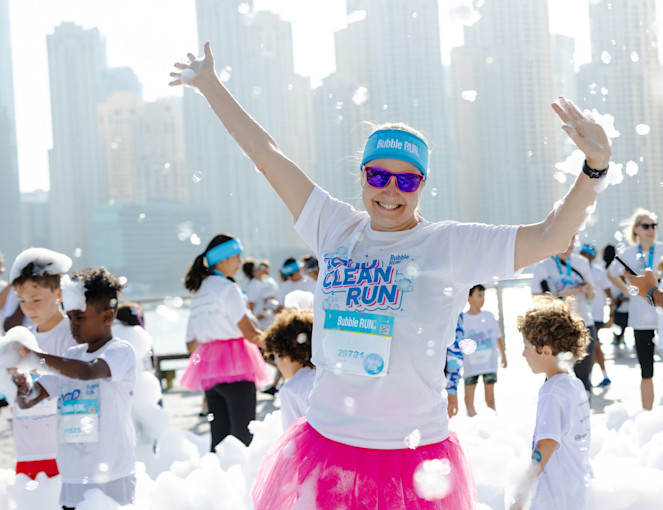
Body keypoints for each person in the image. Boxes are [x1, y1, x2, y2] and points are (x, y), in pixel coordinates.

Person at [170, 42, 611, 509]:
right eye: (378, 176)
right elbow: (266, 154)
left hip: (411, 454)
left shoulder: (449, 246)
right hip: (327, 446)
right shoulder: (333, 225)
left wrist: (594, 168)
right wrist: (209, 85)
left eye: (407, 180)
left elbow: (548, 236)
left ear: (422, 184)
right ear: (361, 175)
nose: (390, 192)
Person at [12, 267, 136, 509]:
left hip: (112, 472)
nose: (73, 325)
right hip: (72, 475)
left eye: (80, 317)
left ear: (107, 317)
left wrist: (34, 357)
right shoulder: (71, 355)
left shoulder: (120, 352)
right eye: (70, 317)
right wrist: (20, 381)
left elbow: (87, 371)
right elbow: (29, 400)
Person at [181, 234, 269, 449]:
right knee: (243, 437)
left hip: (209, 368)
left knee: (219, 438)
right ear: (223, 259)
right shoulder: (228, 288)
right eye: (237, 257)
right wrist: (281, 345)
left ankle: (216, 479)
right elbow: (251, 334)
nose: (240, 263)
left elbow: (190, 344)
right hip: (238, 364)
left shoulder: (199, 291)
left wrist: (213, 337)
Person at [511, 297, 592, 510]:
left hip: (557, 498)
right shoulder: (574, 384)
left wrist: (520, 494)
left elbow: (546, 443)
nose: (523, 354)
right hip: (578, 491)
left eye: (527, 347)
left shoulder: (552, 392)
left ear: (546, 351)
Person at [8, 247, 75, 480]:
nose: (29, 308)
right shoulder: (21, 338)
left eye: (36, 299)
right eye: (22, 301)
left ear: (59, 293)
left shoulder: (71, 335)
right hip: (27, 448)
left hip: (63, 446)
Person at [607, 208, 663, 410]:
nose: (651, 230)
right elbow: (611, 273)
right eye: (646, 226)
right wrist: (628, 290)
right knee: (646, 370)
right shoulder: (627, 254)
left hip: (662, 315)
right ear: (636, 229)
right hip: (641, 318)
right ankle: (647, 415)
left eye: (654, 225)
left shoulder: (662, 249)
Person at [531, 237, 596, 395]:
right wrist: (558, 295)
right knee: (553, 378)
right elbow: (535, 297)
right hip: (556, 328)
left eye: (572, 241)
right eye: (566, 240)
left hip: (583, 324)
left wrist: (583, 290)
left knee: (583, 377)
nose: (570, 245)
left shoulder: (581, 263)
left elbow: (592, 295)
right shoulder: (544, 265)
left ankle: (583, 414)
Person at [260, 307, 316, 430]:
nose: (277, 363)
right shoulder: (320, 377)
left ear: (285, 355)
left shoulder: (291, 389)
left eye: (276, 356)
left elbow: (291, 433)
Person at [461, 284, 506, 416]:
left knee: (490, 400)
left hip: (489, 365)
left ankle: (493, 424)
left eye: (484, 295)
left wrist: (503, 356)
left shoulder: (489, 316)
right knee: (468, 400)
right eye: (479, 295)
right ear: (469, 298)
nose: (482, 299)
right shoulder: (462, 319)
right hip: (470, 366)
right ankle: (474, 426)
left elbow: (498, 337)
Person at [578, 243, 612, 387]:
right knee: (593, 348)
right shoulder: (576, 271)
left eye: (587, 254)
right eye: (582, 253)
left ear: (592, 256)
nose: (584, 257)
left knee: (594, 347)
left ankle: (591, 378)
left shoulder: (599, 272)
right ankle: (597, 377)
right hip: (582, 316)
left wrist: (611, 315)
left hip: (596, 316)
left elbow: (609, 294)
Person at [603, 244, 629, 351]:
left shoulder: (606, 269)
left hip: (619, 302)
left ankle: (619, 337)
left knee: (619, 322)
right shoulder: (615, 269)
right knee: (620, 322)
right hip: (619, 302)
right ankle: (619, 338)